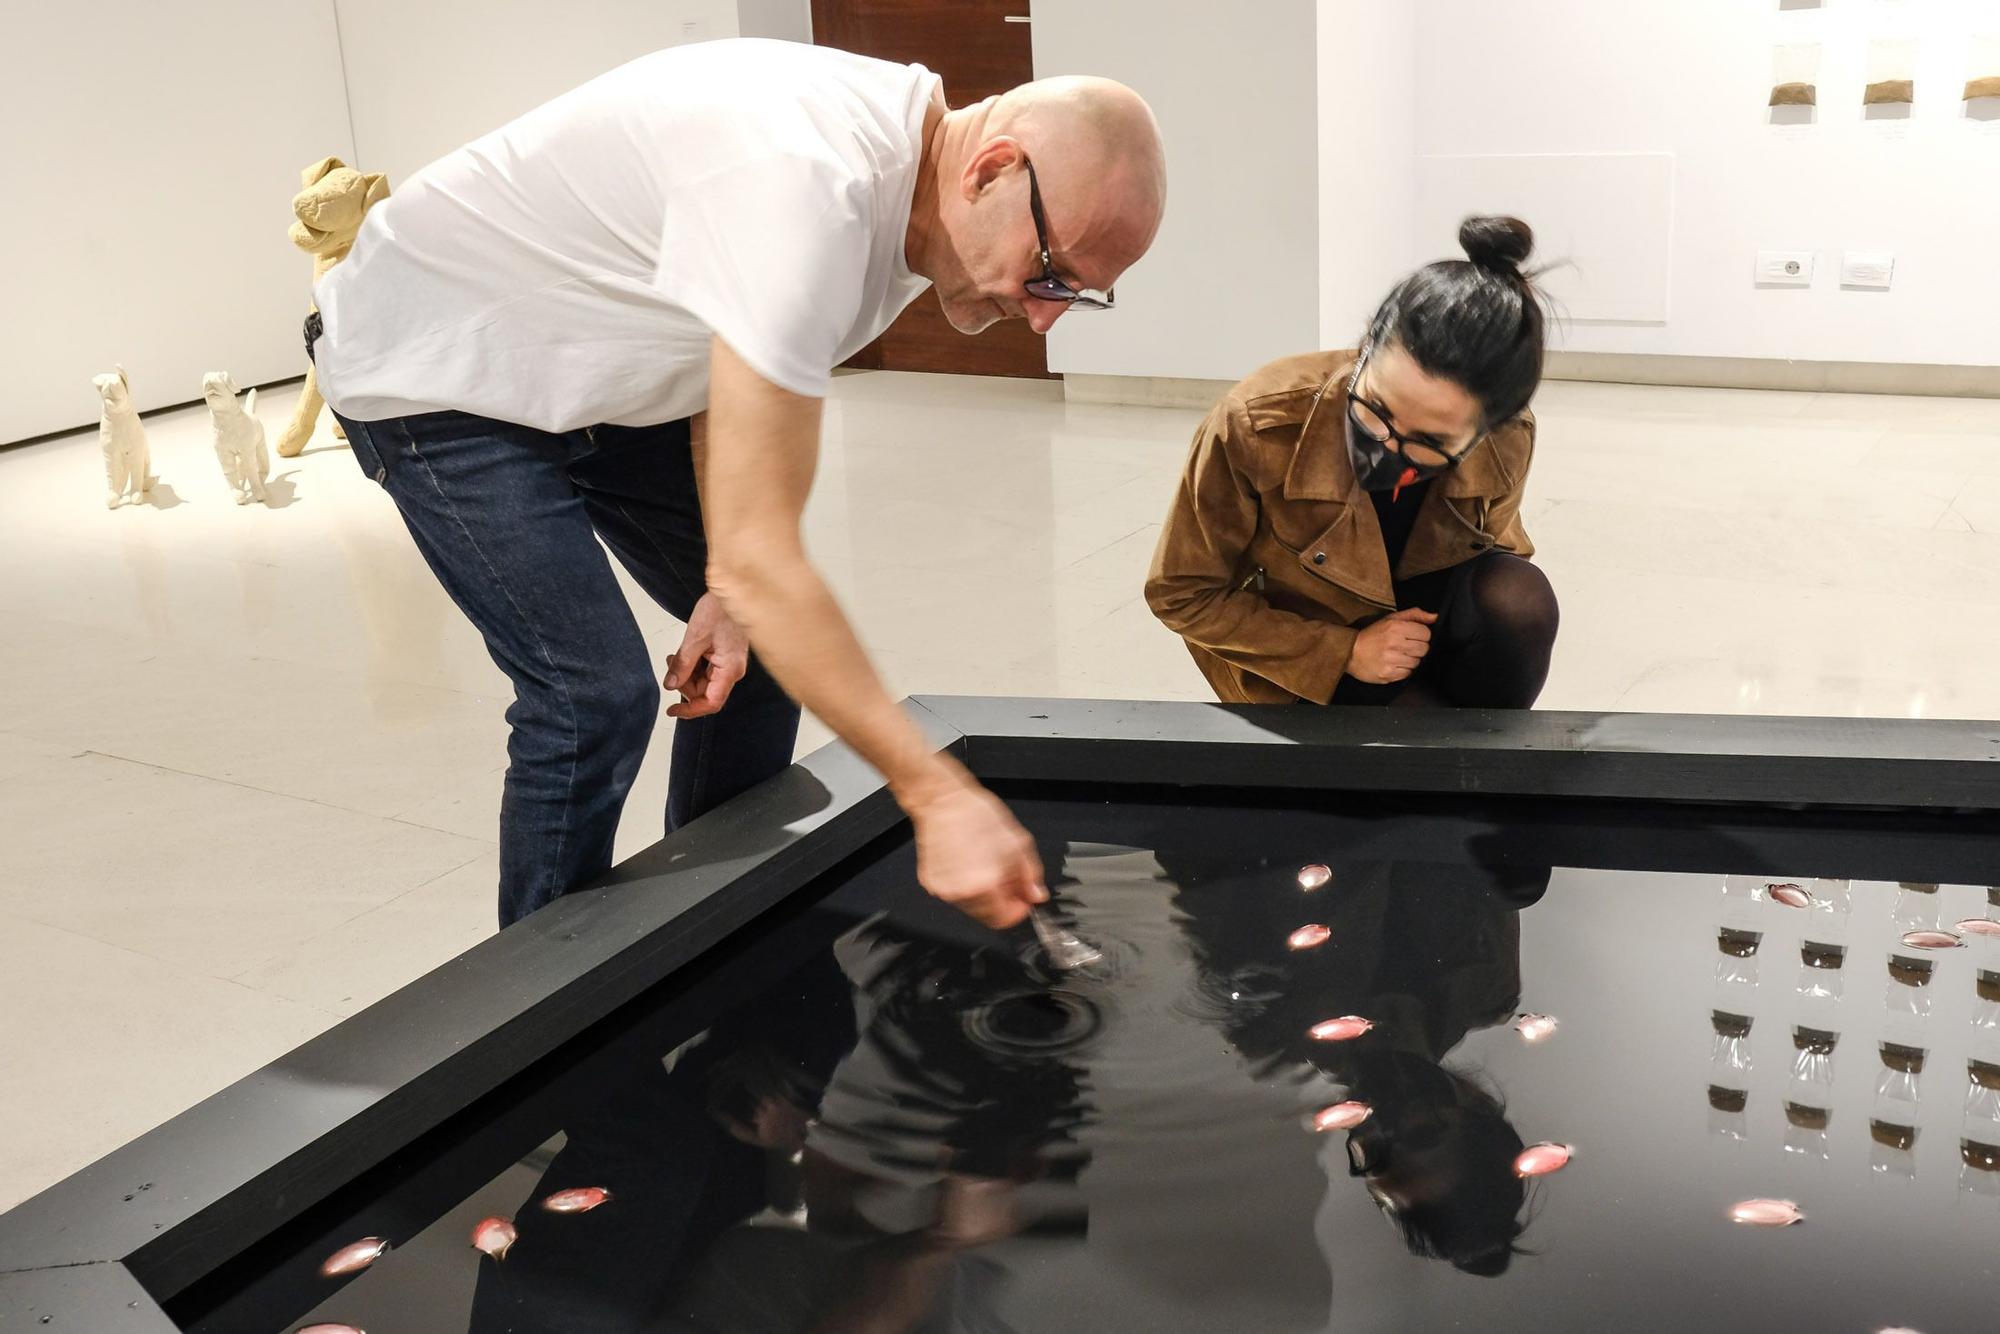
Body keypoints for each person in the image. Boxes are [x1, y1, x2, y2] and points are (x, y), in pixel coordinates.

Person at [307, 39, 1167, 928]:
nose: (1041, 316)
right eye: (1051, 274)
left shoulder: (907, 188)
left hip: (596, 372)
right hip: (438, 369)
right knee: (590, 698)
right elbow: (768, 556)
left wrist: (725, 580)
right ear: (993, 169)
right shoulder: (806, 187)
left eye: (1078, 295)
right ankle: (537, 1002)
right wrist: (939, 796)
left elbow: (724, 351)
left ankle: (712, 929)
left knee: (753, 652)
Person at [1146, 216, 1556, 709]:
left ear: (1488, 427)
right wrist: (1345, 651)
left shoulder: (1509, 437)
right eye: (1376, 409)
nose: (1386, 445)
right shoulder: (1257, 422)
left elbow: (1499, 558)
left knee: (1518, 597)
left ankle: (1487, 764)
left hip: (1416, 633)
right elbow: (1182, 592)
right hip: (1304, 650)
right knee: (1418, 740)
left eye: (1430, 441)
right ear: (1364, 348)